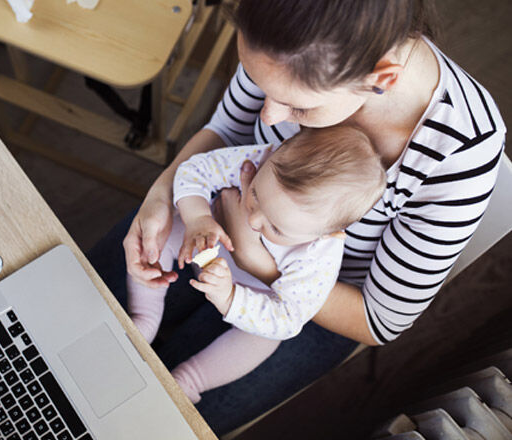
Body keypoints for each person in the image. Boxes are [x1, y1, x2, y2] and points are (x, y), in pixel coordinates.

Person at [88, 0, 506, 434]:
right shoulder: (285, 29)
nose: (268, 116)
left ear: (381, 78)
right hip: (215, 214)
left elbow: (379, 319)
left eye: (298, 107)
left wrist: (262, 265)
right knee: (84, 317)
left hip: (314, 303)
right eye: (259, 82)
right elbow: (229, 131)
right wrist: (161, 195)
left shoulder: (461, 149)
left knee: (149, 418)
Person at [128, 126, 386, 403]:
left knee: (264, 338)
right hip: (205, 241)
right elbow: (194, 170)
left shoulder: (321, 253)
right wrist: (198, 218)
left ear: (328, 233)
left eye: (275, 227)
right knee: (160, 236)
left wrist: (230, 298)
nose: (253, 221)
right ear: (275, 154)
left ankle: (190, 380)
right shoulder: (262, 157)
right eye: (255, 196)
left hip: (255, 292)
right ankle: (144, 316)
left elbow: (288, 317)